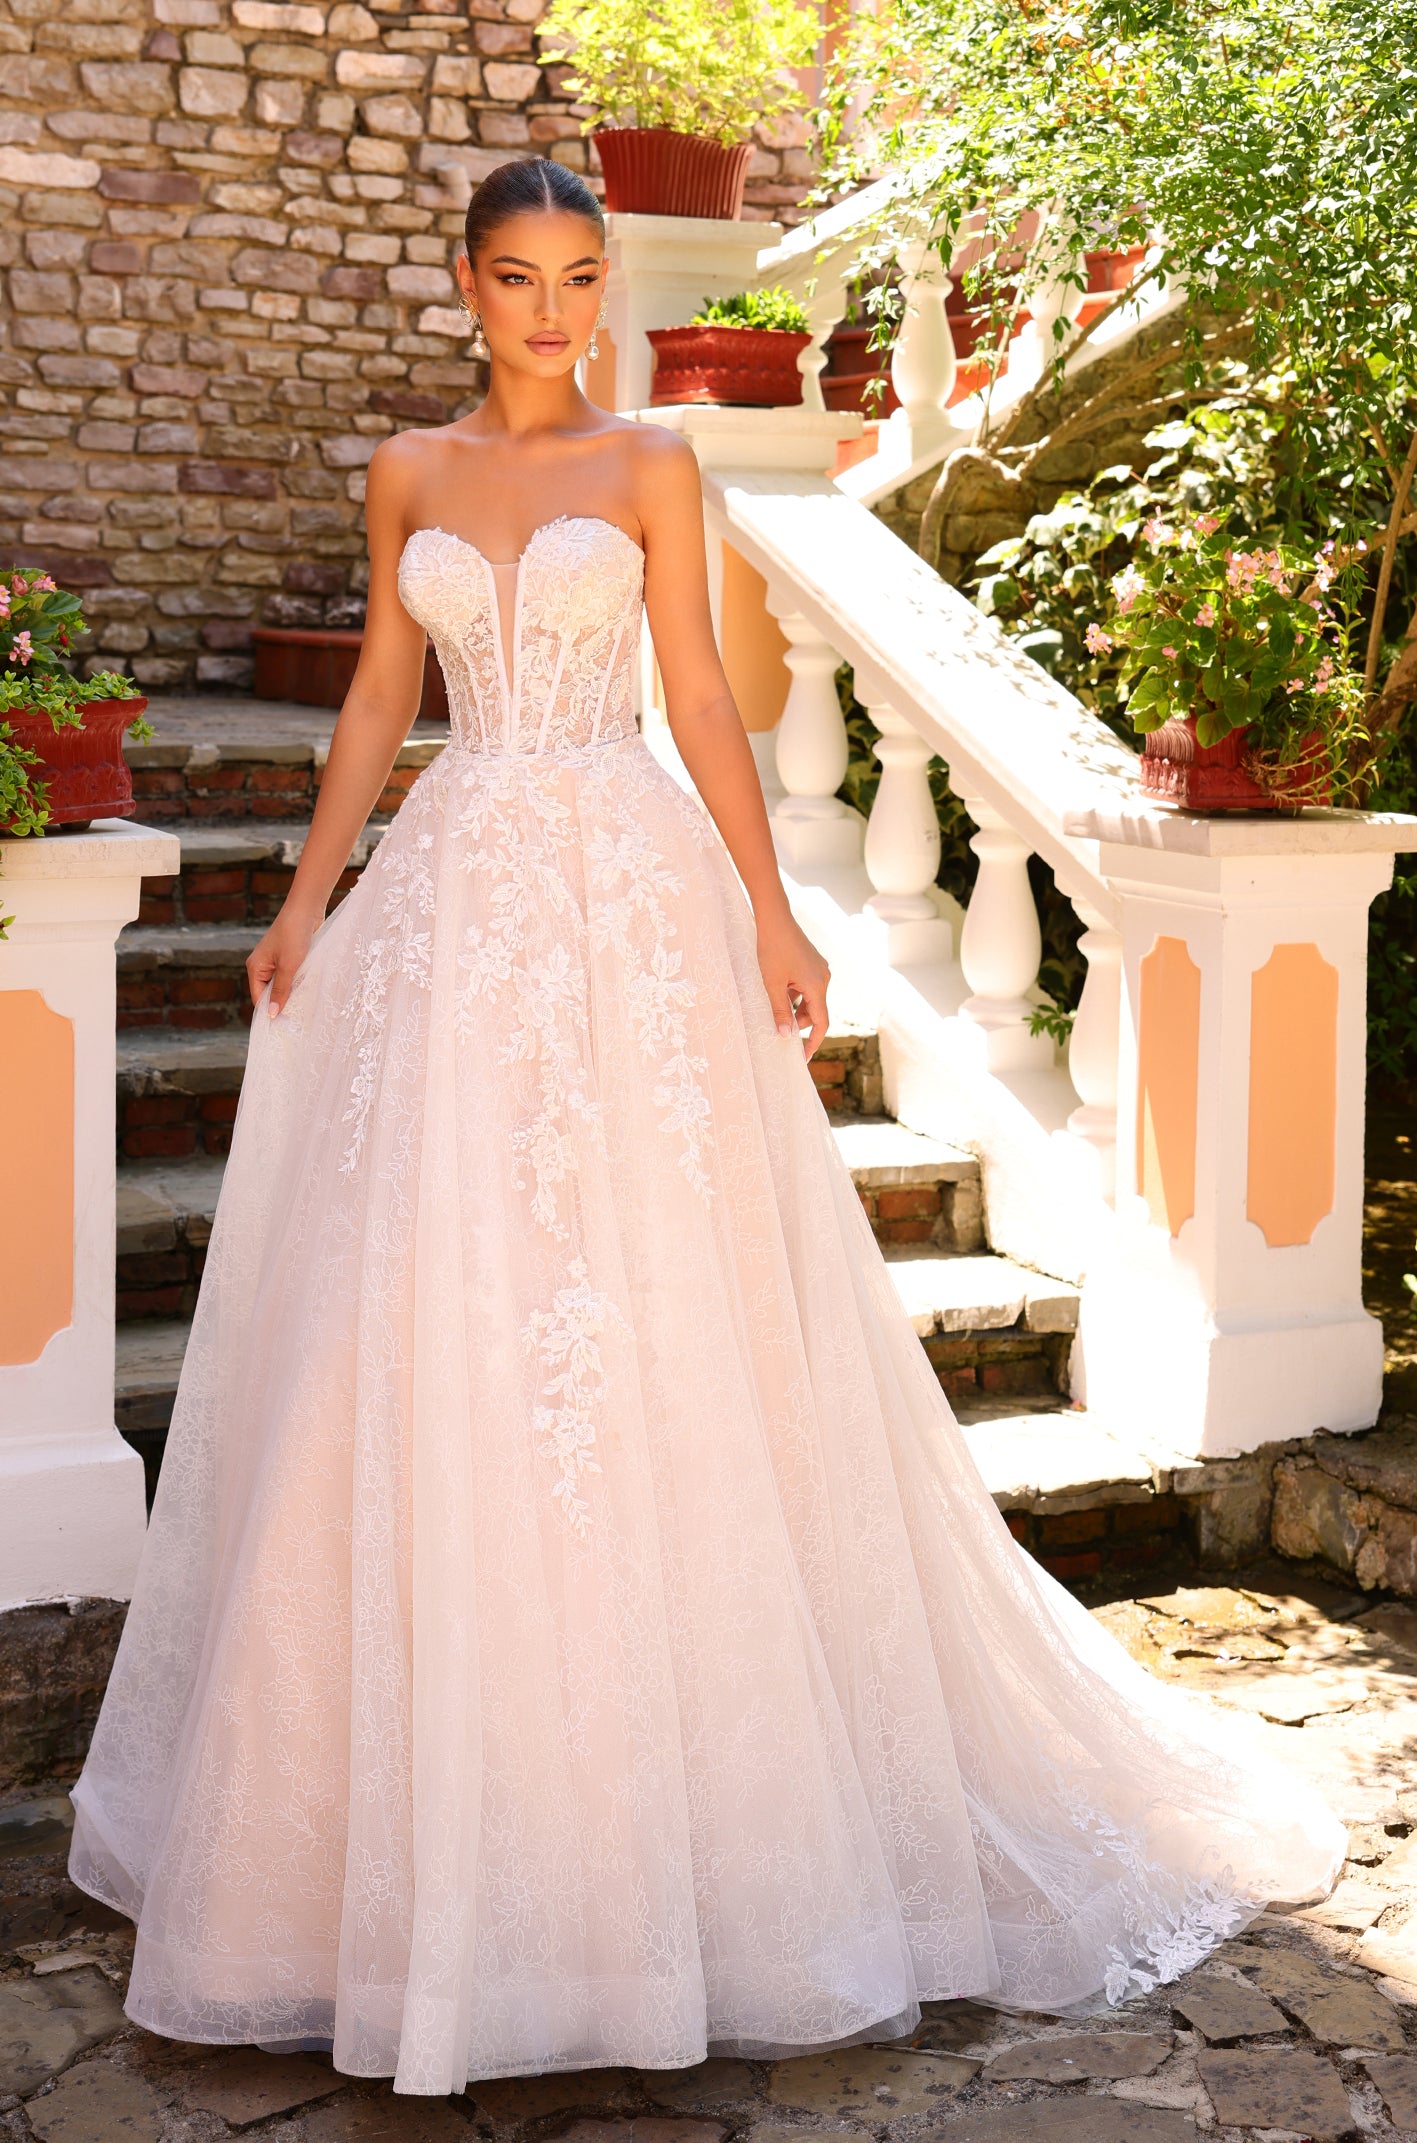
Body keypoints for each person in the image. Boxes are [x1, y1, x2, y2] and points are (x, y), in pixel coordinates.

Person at [69, 156, 1346, 2097]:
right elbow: (377, 705)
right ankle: (395, 1859)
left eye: (581, 278)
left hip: (628, 903)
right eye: (518, 279)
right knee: (434, 1305)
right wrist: (307, 890)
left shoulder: (653, 466)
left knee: (652, 1298)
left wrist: (766, 905)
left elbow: (694, 694)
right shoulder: (408, 473)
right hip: (455, 892)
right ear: (466, 286)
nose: (554, 312)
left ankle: (691, 1854)